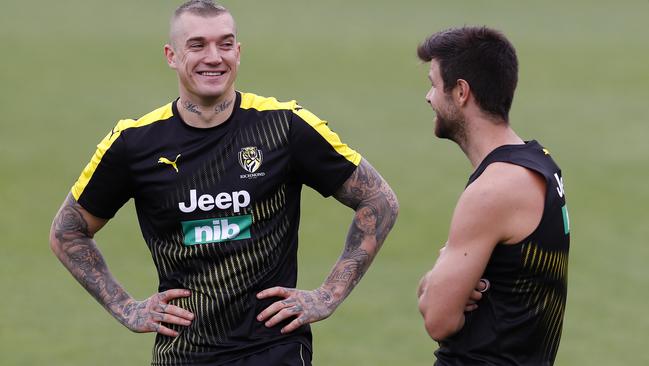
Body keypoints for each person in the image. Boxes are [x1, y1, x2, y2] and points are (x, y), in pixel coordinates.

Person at [49, 1, 398, 365]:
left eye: (225, 44)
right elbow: (67, 233)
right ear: (172, 55)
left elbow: (379, 200)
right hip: (184, 353)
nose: (214, 57)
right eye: (197, 45)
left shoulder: (284, 127)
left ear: (239, 52)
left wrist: (328, 295)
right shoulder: (134, 143)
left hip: (274, 350)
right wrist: (126, 308)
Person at [415, 26, 570, 365]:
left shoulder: (493, 190)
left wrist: (441, 273)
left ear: (460, 92)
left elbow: (438, 318)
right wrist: (442, 282)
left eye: (433, 83)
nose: (428, 97)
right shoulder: (540, 163)